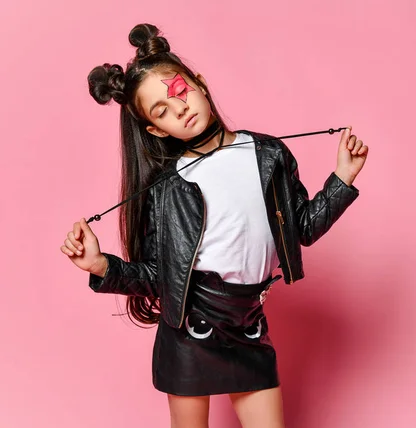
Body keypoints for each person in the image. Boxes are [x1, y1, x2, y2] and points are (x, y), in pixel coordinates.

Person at [60, 23, 368, 428]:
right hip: (190, 327)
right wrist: (102, 267)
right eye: (161, 112)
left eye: (180, 92)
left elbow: (302, 229)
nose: (180, 109)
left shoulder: (268, 154)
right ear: (155, 129)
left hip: (249, 321)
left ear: (199, 84)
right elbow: (159, 275)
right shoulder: (167, 189)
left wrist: (342, 181)